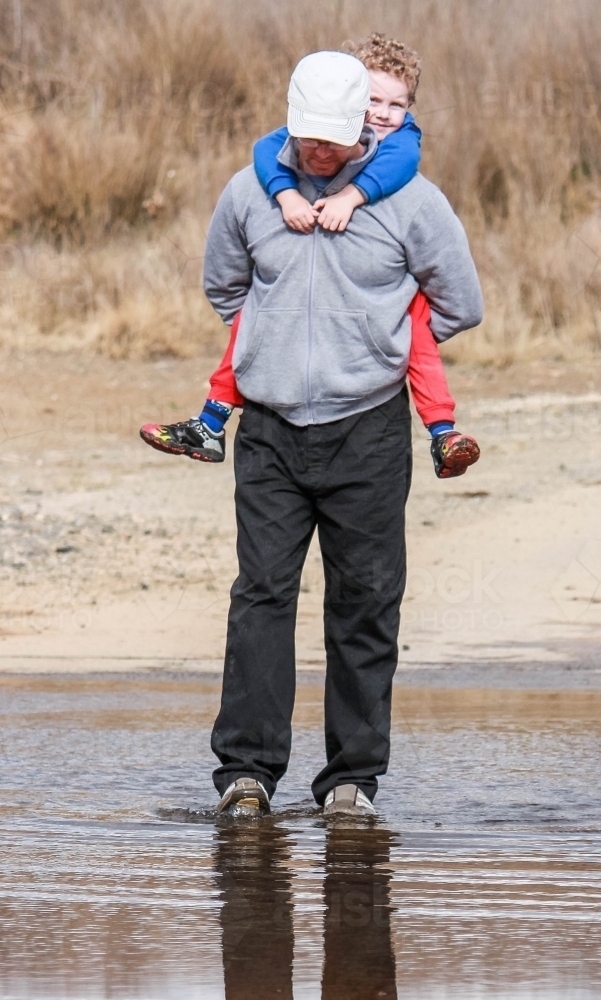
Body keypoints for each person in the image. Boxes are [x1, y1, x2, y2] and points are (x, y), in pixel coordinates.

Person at [199, 50, 482, 817]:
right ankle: (246, 776)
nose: (320, 150)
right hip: (270, 432)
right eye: (308, 135)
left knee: (364, 602)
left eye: (335, 136)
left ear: (364, 121)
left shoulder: (413, 202)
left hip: (367, 432)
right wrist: (275, 345)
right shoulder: (249, 193)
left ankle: (350, 782)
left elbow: (459, 302)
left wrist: (375, 346)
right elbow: (225, 286)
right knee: (260, 598)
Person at [140, 35, 480, 480]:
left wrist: (380, 334)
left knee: (413, 323)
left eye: (396, 105)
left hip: (369, 418)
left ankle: (441, 429)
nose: (382, 113)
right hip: (271, 424)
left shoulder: (404, 155)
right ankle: (210, 422)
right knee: (257, 312)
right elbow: (266, 150)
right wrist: (283, 196)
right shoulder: (270, 164)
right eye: (373, 100)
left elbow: (461, 303)